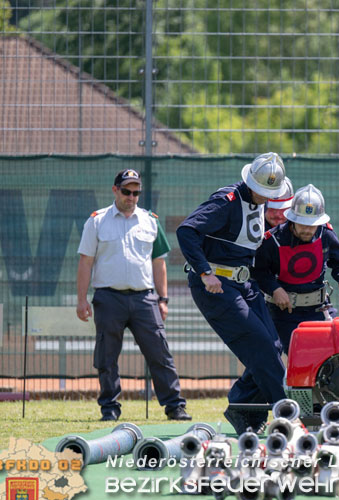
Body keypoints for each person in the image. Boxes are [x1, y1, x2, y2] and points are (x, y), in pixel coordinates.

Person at [176, 152, 289, 435]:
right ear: (250, 182)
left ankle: (241, 409)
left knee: (273, 347)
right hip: (217, 287)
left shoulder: (259, 204)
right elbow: (187, 231)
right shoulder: (226, 202)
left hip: (244, 284)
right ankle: (288, 415)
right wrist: (205, 272)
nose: (268, 197)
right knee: (262, 347)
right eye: (264, 191)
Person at [76, 168, 190, 422]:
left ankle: (174, 406)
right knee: (106, 357)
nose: (131, 196)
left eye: (136, 192)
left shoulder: (150, 220)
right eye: (127, 191)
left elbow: (159, 262)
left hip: (144, 299)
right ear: (115, 190)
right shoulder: (96, 221)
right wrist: (81, 299)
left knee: (160, 353)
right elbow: (85, 262)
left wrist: (163, 299)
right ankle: (110, 408)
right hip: (108, 298)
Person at [253, 184, 339, 353]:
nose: (308, 229)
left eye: (312, 224)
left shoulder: (325, 233)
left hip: (320, 309)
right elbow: (258, 271)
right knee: (289, 359)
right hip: (283, 314)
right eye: (302, 224)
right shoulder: (272, 240)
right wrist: (274, 289)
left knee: (338, 353)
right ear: (292, 220)